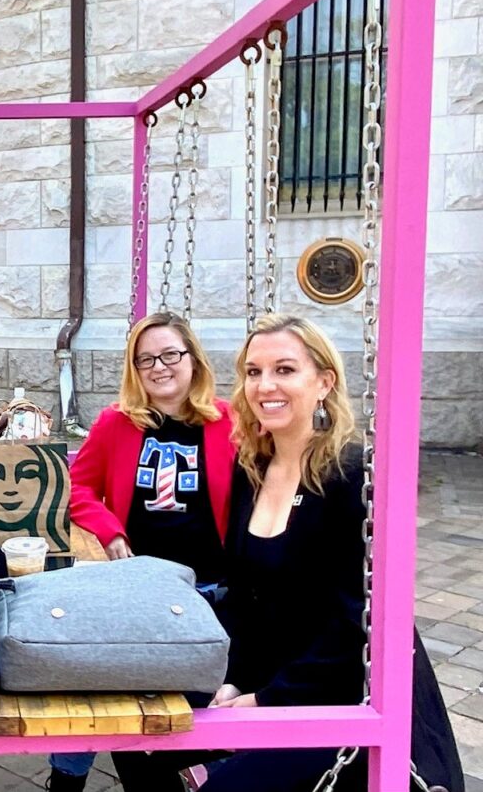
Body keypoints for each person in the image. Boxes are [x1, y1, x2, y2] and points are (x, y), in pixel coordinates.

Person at [109, 314, 464, 792]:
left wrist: (265, 700)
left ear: (323, 382)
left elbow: (355, 625)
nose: (264, 385)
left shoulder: (353, 476)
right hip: (268, 675)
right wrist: (234, 678)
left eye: (284, 370)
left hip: (344, 698)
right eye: (253, 372)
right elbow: (243, 595)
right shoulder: (252, 466)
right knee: (135, 732)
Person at [48, 311, 236, 792]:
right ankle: (67, 777)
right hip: (140, 583)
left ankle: (180, 767)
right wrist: (110, 533)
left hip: (210, 585)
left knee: (191, 696)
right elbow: (80, 488)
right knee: (100, 681)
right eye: (145, 358)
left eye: (170, 354)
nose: (159, 367)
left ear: (193, 359)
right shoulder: (117, 424)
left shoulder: (230, 422)